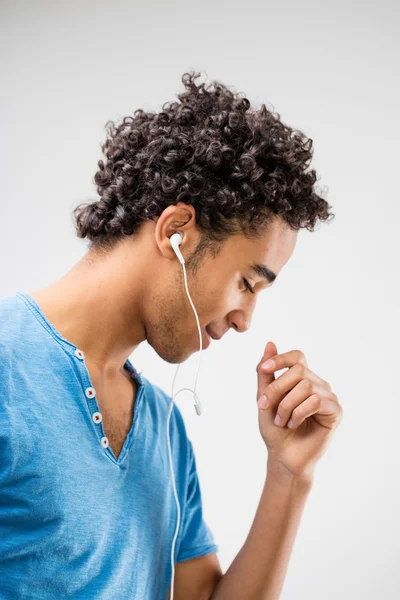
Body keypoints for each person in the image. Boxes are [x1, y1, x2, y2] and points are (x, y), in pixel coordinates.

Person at [0, 71, 343, 599]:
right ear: (175, 231)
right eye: (247, 283)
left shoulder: (163, 428)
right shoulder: (6, 368)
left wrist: (288, 476)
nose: (245, 319)